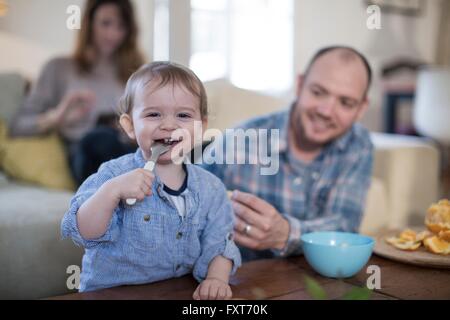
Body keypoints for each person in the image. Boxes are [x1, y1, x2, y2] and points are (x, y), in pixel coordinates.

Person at [60, 61, 241, 299]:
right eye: (154, 114)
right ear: (130, 126)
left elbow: (220, 243)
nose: (169, 125)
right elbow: (84, 231)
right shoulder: (112, 175)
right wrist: (111, 192)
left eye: (183, 115)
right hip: (110, 294)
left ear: (201, 127)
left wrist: (216, 279)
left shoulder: (211, 188)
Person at [202, 46, 374, 261]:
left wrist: (285, 234)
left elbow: (344, 228)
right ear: (300, 85)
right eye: (318, 92)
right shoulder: (241, 139)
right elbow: (186, 198)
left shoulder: (358, 145)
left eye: (346, 103)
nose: (326, 111)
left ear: (361, 108)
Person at [10, 0, 145, 186]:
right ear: (89, 24)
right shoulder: (58, 68)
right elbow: (17, 126)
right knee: (100, 138)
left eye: (121, 26)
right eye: (106, 23)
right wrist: (57, 117)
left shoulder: (136, 73)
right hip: (87, 152)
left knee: (192, 148)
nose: (113, 34)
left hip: (132, 150)